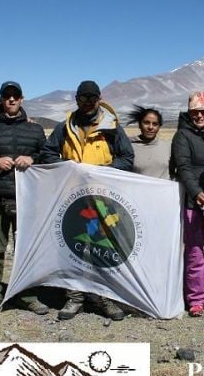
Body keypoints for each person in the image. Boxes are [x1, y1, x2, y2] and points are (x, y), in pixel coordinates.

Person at [40, 80, 134, 321]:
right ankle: (74, 298)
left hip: (103, 197)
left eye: (93, 97)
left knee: (103, 247)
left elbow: (127, 157)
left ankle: (104, 298)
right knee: (73, 247)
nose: (89, 101)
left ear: (99, 98)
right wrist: (66, 167)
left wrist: (103, 171)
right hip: (72, 198)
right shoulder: (65, 127)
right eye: (84, 97)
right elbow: (48, 152)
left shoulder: (112, 128)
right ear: (77, 99)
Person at [0, 81, 49, 316]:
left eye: (15, 96)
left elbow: (48, 156)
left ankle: (28, 295)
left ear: (22, 99)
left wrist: (33, 159)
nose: (11, 100)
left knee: (27, 249)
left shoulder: (35, 129)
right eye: (7, 96)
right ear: (1, 99)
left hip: (27, 198)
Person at [170, 91, 204, 317]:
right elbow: (182, 167)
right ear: (189, 113)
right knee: (194, 250)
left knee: (198, 247)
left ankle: (186, 290)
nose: (200, 116)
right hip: (192, 202)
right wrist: (196, 191)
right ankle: (196, 299)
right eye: (195, 112)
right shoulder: (182, 136)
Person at [127, 105, 170, 179]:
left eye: (155, 124)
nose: (150, 127)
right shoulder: (128, 147)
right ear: (139, 125)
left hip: (165, 190)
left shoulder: (168, 147)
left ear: (159, 126)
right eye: (146, 123)